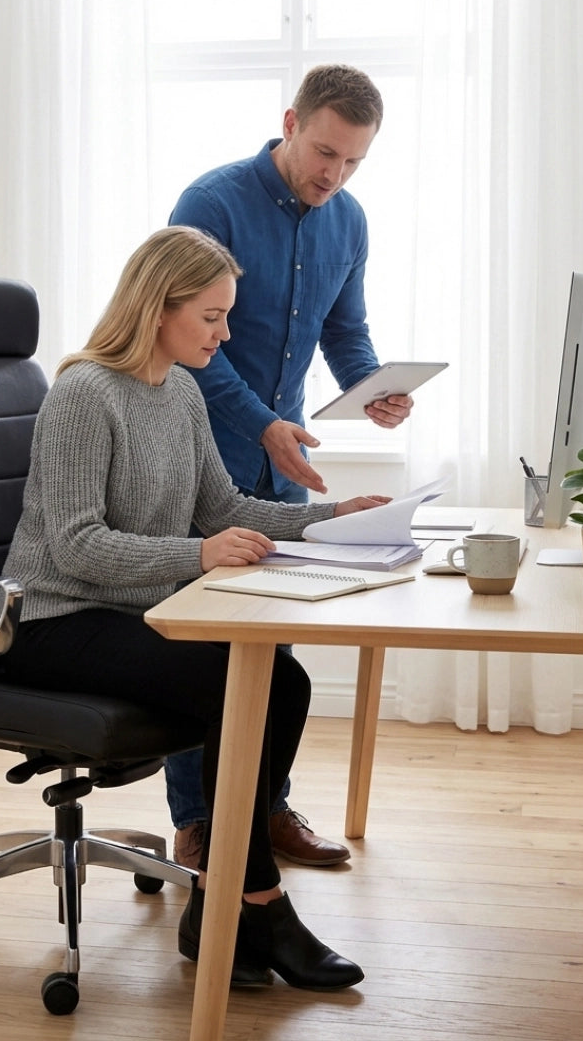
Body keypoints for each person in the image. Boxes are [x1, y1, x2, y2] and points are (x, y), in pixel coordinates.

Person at [1, 225, 388, 990]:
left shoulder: (177, 390)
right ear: (157, 307)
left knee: (286, 679)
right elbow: (77, 547)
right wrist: (199, 556)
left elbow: (221, 504)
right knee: (232, 686)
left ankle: (217, 900)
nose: (227, 331)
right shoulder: (83, 395)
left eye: (226, 314)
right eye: (211, 315)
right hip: (53, 621)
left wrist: (336, 517)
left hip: (125, 611)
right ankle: (261, 902)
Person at [164, 64, 415, 870]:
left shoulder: (349, 221)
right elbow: (184, 342)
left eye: (352, 163)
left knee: (275, 642)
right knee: (206, 646)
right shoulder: (213, 204)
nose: (332, 174)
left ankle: (264, 808)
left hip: (280, 459)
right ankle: (201, 823)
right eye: (324, 151)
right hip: (200, 450)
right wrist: (263, 423)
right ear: (290, 122)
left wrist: (371, 387)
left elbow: (346, 328)